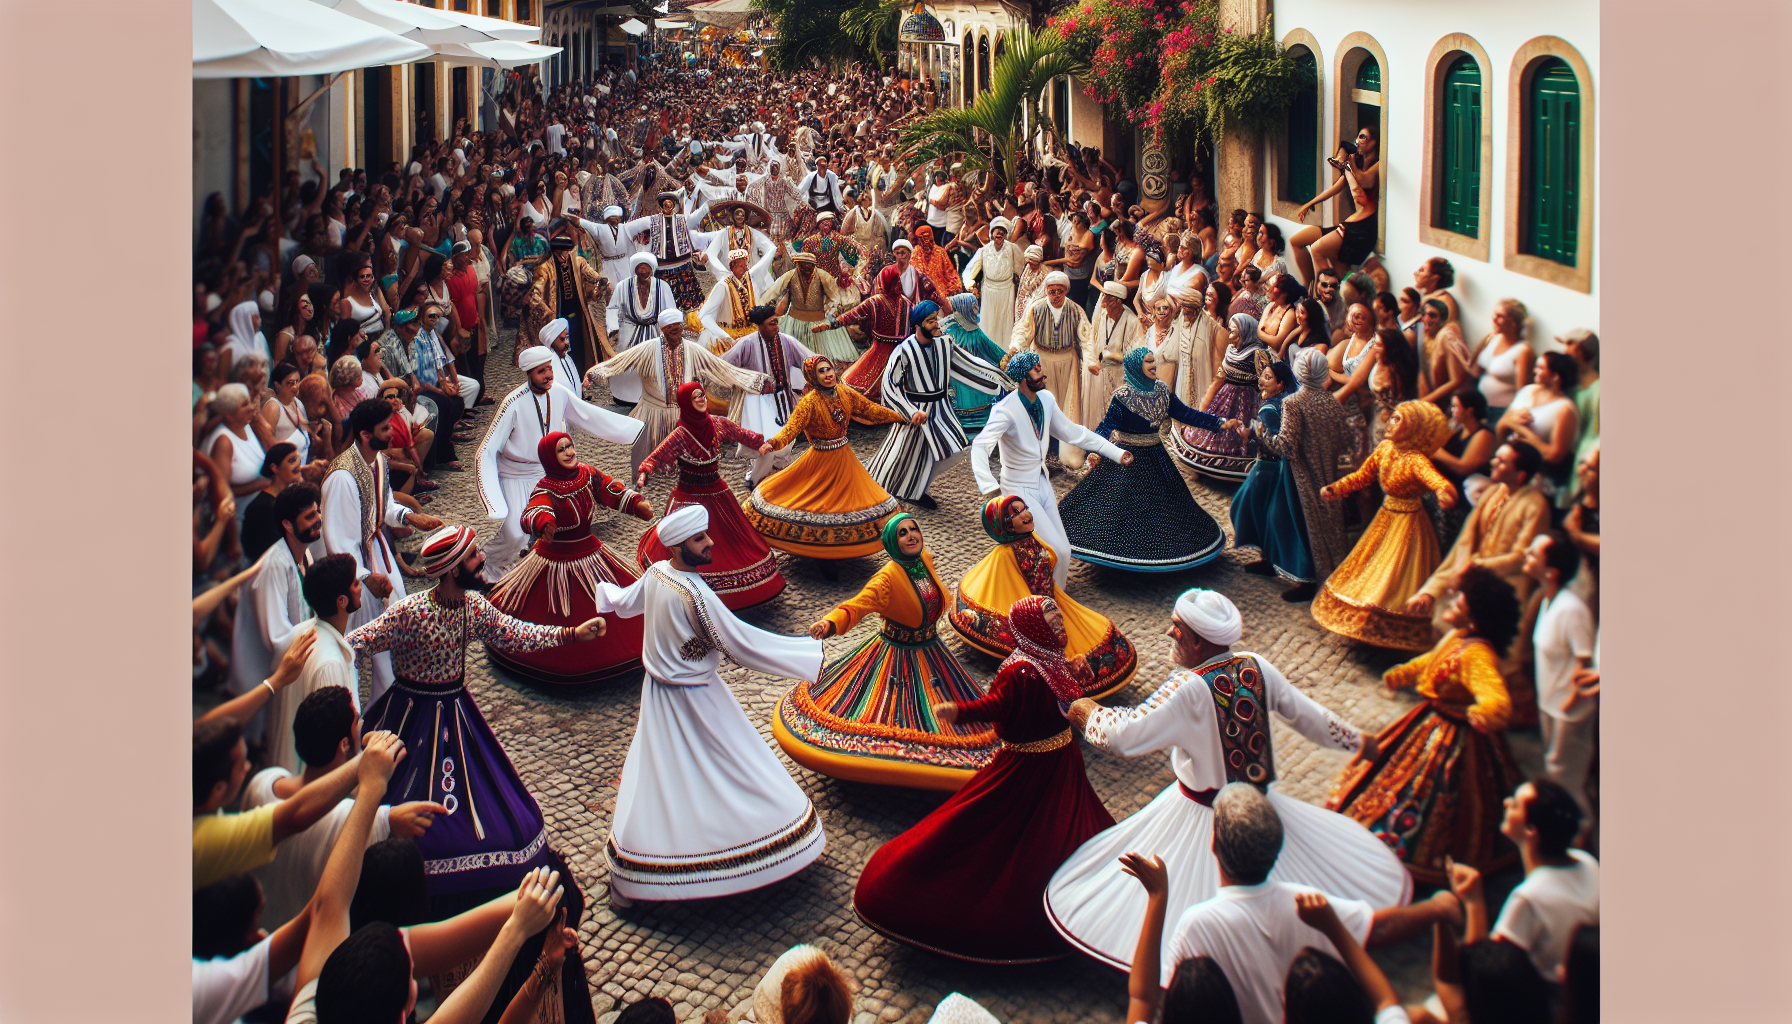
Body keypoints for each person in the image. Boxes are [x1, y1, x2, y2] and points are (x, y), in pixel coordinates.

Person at [1045, 589, 1411, 970]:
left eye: (1177, 629)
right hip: (1260, 806)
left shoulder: (1186, 689)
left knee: (1196, 894)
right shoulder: (1255, 665)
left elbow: (1125, 736)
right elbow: (1309, 716)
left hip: (1202, 815)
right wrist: (1358, 741)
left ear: (1198, 640)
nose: (1171, 635)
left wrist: (1085, 710)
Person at [853, 596, 1117, 963]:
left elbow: (1063, 696)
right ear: (1034, 628)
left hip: (1061, 763)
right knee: (1005, 832)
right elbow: (997, 706)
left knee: (1067, 826)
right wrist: (960, 712)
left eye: (1058, 619)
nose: (1060, 625)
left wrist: (1077, 673)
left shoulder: (1052, 659)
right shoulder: (1020, 670)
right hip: (1029, 767)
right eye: (1051, 620)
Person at [352, 526, 608, 900]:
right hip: (408, 718)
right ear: (454, 570)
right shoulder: (410, 612)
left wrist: (571, 634)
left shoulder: (473, 608)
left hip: (456, 714)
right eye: (473, 556)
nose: (482, 558)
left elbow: (514, 633)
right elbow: (358, 642)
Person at [592, 505, 828, 905]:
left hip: (657, 694)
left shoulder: (655, 574)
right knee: (734, 762)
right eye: (700, 539)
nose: (710, 543)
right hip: (697, 698)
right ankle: (752, 847)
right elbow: (741, 644)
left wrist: (605, 596)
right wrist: (805, 656)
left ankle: (641, 869)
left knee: (658, 772)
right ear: (679, 547)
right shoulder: (696, 594)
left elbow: (627, 602)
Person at [1327, 565, 1523, 884]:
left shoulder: (1479, 656)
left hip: (1455, 737)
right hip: (1431, 721)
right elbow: (1431, 660)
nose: (1452, 602)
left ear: (1475, 615)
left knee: (1437, 795)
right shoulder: (1459, 637)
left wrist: (1484, 712)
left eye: (1461, 601)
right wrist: (1403, 672)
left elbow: (1497, 698)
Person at [777, 514, 1000, 790]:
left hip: (931, 650)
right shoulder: (887, 578)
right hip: (897, 653)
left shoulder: (923, 561)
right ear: (892, 544)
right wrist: (830, 622)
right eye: (902, 533)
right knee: (897, 707)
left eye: (913, 529)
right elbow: (858, 605)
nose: (911, 536)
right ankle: (904, 762)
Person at [1157, 784, 1383, 1024]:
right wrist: (1429, 910)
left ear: (1213, 844)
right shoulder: (1312, 906)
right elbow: (1376, 929)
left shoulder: (1195, 924)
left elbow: (1173, 1003)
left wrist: (1156, 898)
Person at [242, 686, 445, 927]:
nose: (362, 725)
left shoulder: (263, 782)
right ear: (344, 746)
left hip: (258, 927)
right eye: (358, 720)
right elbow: (386, 821)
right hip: (308, 947)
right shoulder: (355, 819)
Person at [486, 432, 655, 685]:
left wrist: (634, 504)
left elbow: (608, 488)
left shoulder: (587, 474)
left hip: (591, 550)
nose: (568, 452)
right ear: (549, 458)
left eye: (570, 446)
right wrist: (544, 523)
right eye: (560, 450)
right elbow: (534, 510)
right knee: (557, 612)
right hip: (555, 560)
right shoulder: (546, 487)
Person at [478, 344, 645, 582]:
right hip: (515, 473)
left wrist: (629, 428)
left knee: (558, 524)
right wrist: (493, 501)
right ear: (528, 374)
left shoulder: (558, 392)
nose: (547, 375)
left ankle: (545, 571)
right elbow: (487, 449)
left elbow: (587, 414)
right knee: (515, 532)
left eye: (549, 369)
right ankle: (490, 570)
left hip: (548, 471)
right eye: (540, 371)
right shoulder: (512, 402)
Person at [970, 351, 1131, 588]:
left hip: (1043, 483)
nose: (1042, 372)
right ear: (1023, 377)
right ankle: (1051, 602)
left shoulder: (1046, 399)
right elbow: (980, 446)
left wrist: (1116, 453)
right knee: (1055, 550)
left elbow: (1074, 433)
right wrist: (990, 487)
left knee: (1064, 549)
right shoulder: (1004, 411)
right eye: (1036, 369)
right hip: (1018, 490)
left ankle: (1055, 596)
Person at [950, 495, 1137, 699]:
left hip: (1052, 600)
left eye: (1024, 509)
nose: (1025, 515)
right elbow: (1007, 588)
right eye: (1015, 513)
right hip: (1037, 608)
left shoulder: (1033, 539)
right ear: (1004, 526)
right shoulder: (1005, 555)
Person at [1059, 348, 1228, 572]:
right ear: (1135, 367)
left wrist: (1218, 423)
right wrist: (1096, 451)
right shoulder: (1122, 397)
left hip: (1156, 456)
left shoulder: (1162, 391)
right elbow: (1106, 427)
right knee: (1118, 509)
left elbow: (1186, 414)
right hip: (1126, 459)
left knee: (1165, 509)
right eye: (1148, 362)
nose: (1153, 365)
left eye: (1153, 361)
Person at [320, 399, 444, 702]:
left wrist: (410, 517)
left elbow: (384, 505)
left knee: (394, 634)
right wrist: (365, 578)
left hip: (379, 554)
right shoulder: (342, 477)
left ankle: (391, 707)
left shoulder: (378, 460)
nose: (392, 432)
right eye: (385, 428)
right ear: (365, 434)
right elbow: (337, 540)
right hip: (355, 572)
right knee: (361, 647)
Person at [1311, 401, 1459, 652]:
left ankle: (1390, 627)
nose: (1390, 422)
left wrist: (1445, 493)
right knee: (1370, 570)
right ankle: (1367, 621)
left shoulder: (1416, 460)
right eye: (1393, 418)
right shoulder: (1385, 449)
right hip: (1385, 518)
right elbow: (1362, 476)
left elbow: (1437, 482)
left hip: (1408, 525)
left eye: (1399, 419)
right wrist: (1337, 488)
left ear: (1413, 428)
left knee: (1395, 575)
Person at [192, 694, 381, 889]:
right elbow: (293, 816)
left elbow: (199, 727)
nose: (248, 768)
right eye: (242, 765)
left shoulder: (263, 781)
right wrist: (368, 760)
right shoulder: (205, 840)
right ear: (218, 789)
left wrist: (274, 683)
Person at [633, 382, 787, 609]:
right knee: (684, 542)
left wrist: (760, 444)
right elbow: (657, 455)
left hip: (716, 491)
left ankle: (741, 590)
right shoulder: (680, 435)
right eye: (695, 397)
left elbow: (740, 433)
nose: (701, 399)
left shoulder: (717, 424)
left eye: (702, 395)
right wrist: (644, 473)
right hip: (689, 494)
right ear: (686, 402)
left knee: (733, 539)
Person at [746, 355, 910, 563]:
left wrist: (900, 417)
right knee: (821, 505)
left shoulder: (845, 393)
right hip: (819, 461)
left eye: (829, 369)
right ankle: (823, 555)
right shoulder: (809, 403)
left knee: (850, 501)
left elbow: (870, 411)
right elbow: (791, 429)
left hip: (844, 457)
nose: (828, 374)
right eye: (821, 372)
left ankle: (841, 549)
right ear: (813, 377)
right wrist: (773, 443)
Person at [589, 307, 773, 477]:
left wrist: (755, 382)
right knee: (643, 457)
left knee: (687, 464)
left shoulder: (693, 350)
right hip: (653, 414)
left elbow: (721, 368)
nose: (676, 332)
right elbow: (620, 361)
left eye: (678, 327)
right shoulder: (647, 349)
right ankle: (639, 487)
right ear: (662, 329)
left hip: (684, 417)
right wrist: (594, 374)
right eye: (671, 328)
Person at [864, 301, 1009, 510]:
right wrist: (910, 411)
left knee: (952, 450)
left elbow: (969, 364)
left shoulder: (944, 343)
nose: (935, 324)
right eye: (930, 321)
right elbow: (889, 386)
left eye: (936, 319)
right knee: (901, 455)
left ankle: (914, 489)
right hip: (916, 413)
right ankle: (882, 488)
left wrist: (1002, 378)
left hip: (941, 410)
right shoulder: (903, 351)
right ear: (917, 325)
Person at [1408, 441, 1550, 623]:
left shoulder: (1535, 505)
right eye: (1495, 458)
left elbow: (1521, 557)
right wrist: (1430, 591)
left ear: (1520, 475)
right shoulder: (1491, 493)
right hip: (1470, 582)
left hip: (1505, 591)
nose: (1493, 463)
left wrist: (1476, 568)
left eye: (1502, 461)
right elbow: (1462, 547)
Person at [1492, 779, 1599, 982]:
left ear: (1531, 830)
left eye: (1514, 804)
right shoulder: (1588, 862)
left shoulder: (1528, 898)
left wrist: (1474, 901)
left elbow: (1491, 968)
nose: (1506, 803)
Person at [1524, 532, 1598, 816]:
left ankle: (1583, 828)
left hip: (1569, 710)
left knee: (1566, 776)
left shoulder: (1572, 610)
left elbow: (1585, 661)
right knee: (1555, 768)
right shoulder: (1548, 601)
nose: (1525, 556)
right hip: (1551, 704)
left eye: (1533, 555)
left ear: (1550, 572)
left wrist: (1569, 703)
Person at [719, 305, 818, 485]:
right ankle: (757, 478)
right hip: (757, 403)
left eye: (776, 322)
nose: (776, 326)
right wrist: (751, 381)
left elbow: (808, 360)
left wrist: (819, 373)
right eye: (771, 323)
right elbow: (723, 367)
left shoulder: (787, 341)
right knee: (764, 444)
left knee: (786, 441)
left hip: (785, 400)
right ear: (760, 325)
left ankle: (775, 476)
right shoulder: (746, 343)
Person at [1005, 272, 1094, 468]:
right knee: (1040, 404)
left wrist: (1090, 361)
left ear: (1065, 291)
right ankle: (1034, 452)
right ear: (1046, 290)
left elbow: (1086, 337)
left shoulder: (1075, 310)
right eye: (1051, 290)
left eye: (1059, 291)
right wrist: (1015, 347)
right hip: (1041, 361)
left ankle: (1070, 454)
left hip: (1067, 361)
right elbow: (1023, 331)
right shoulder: (1035, 308)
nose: (1055, 295)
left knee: (1069, 408)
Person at [1171, 313, 1267, 480]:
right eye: (1230, 329)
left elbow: (1266, 380)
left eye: (1234, 331)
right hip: (1225, 398)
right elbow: (1220, 378)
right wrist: (1204, 407)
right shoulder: (1231, 350)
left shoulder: (1257, 354)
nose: (1230, 334)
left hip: (1248, 400)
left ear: (1245, 333)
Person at [825, 263, 921, 411]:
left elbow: (919, 321)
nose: (897, 286)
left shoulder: (903, 304)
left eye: (898, 282)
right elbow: (853, 315)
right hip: (886, 352)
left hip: (894, 352)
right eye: (894, 282)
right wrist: (835, 323)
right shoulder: (882, 302)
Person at [619, 191, 721, 311]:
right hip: (662, 263)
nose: (668, 207)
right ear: (662, 206)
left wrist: (708, 204)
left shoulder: (682, 219)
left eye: (670, 204)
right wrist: (633, 247)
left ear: (673, 205)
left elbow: (695, 224)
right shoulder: (652, 220)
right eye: (665, 205)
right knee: (661, 293)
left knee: (685, 291)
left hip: (682, 262)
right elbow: (629, 228)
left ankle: (686, 310)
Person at [606, 252, 679, 405]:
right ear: (635, 271)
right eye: (641, 269)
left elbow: (671, 310)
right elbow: (612, 308)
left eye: (647, 269)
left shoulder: (662, 286)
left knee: (657, 362)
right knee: (629, 362)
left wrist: (672, 329)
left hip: (655, 330)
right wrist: (613, 329)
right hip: (630, 329)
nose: (644, 272)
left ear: (652, 270)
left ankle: (657, 395)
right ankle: (627, 397)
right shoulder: (623, 286)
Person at [762, 250, 856, 366]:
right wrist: (762, 308)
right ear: (797, 265)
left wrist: (828, 315)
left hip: (818, 321)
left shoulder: (823, 276)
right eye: (802, 265)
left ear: (813, 265)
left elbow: (835, 298)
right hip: (794, 322)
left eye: (808, 265)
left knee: (821, 358)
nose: (805, 268)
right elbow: (774, 291)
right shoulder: (790, 275)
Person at [938, 292, 1009, 434]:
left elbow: (992, 349)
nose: (977, 308)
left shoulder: (964, 327)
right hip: (963, 379)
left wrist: (1006, 358)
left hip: (967, 377)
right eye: (974, 305)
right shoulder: (951, 329)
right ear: (964, 307)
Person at [698, 247, 773, 357]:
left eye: (746, 265)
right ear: (732, 267)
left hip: (748, 332)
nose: (745, 268)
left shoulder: (750, 283)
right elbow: (705, 315)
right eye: (741, 265)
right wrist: (724, 336)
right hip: (727, 334)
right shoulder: (723, 286)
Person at [962, 216, 1025, 342]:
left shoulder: (1014, 249)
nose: (999, 233)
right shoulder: (983, 251)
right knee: (988, 325)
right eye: (997, 230)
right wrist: (970, 285)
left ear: (1006, 234)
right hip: (988, 291)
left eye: (1003, 231)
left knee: (1005, 325)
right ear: (992, 233)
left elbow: (1020, 268)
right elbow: (969, 271)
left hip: (1007, 291)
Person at [1471, 298, 1533, 423]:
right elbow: (1476, 370)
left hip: (1499, 411)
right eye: (1494, 314)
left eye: (1500, 316)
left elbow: (1522, 393)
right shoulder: (1493, 338)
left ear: (1513, 323)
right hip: (1479, 404)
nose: (1494, 319)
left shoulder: (1522, 351)